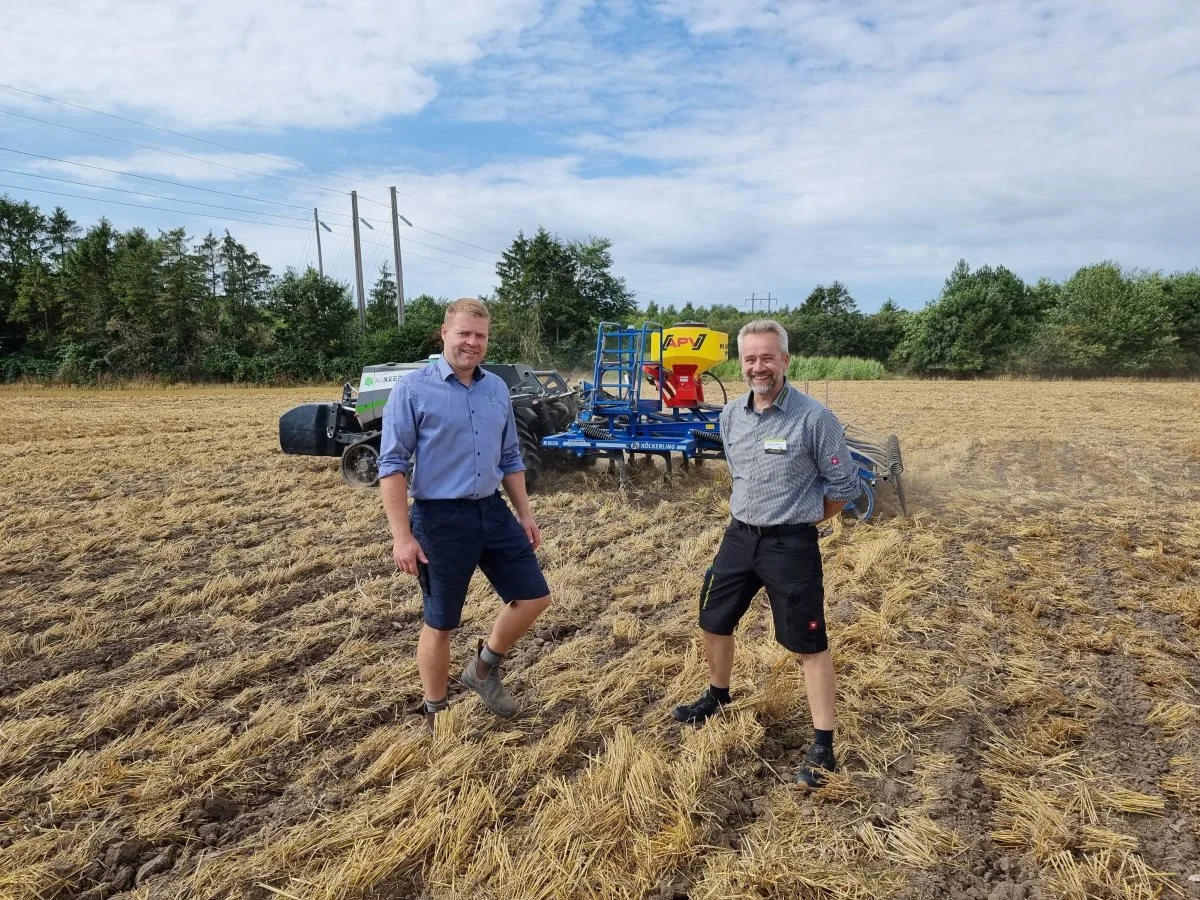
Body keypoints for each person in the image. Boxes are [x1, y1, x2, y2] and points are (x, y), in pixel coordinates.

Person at [671, 319, 861, 790]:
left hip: (790, 544)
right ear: (741, 363)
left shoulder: (814, 419)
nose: (759, 367)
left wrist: (806, 520)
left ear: (785, 361)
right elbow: (738, 471)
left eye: (768, 358)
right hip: (739, 537)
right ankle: (717, 695)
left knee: (807, 644)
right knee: (713, 619)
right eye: (751, 358)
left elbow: (844, 486)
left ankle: (823, 744)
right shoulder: (731, 416)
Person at [377, 297, 552, 727]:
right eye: (464, 333)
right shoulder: (413, 389)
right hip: (438, 520)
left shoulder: (495, 388)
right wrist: (402, 536)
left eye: (481, 336)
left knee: (534, 597)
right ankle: (435, 711)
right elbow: (392, 465)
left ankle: (483, 669)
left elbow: (510, 457)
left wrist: (524, 514)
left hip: (491, 512)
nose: (472, 343)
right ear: (444, 333)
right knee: (441, 623)